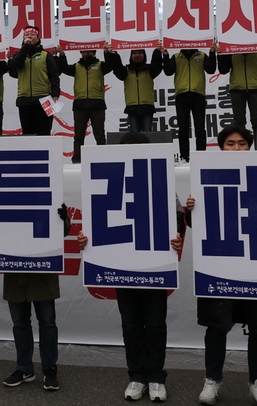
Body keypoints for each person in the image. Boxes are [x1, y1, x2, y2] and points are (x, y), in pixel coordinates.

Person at [191, 125, 257, 406]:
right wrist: (192, 210)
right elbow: (199, 225)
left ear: (250, 147)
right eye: (230, 144)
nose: (236, 149)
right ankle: (212, 380)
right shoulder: (208, 175)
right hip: (222, 265)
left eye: (241, 144)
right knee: (217, 327)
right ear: (220, 147)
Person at [76, 132, 186, 403]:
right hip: (121, 265)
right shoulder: (105, 180)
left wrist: (177, 234)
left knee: (156, 324)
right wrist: (86, 239)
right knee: (132, 324)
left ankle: (156, 377)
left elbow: (178, 216)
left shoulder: (160, 180)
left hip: (154, 264)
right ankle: (136, 376)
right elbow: (94, 219)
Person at [1, 203, 71, 392]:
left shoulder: (48, 192)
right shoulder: (3, 195)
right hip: (14, 270)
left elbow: (63, 231)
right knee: (19, 323)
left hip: (43, 268)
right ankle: (24, 368)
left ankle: (49, 369)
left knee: (47, 322)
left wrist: (62, 218)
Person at [163, 45, 218, 161]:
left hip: (198, 95)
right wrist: (165, 55)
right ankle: (184, 157)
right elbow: (168, 72)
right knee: (182, 129)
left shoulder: (201, 55)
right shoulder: (176, 56)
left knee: (200, 128)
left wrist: (212, 53)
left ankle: (201, 156)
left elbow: (211, 69)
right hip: (181, 96)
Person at [57, 49, 111, 163]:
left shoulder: (101, 65)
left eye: (89, 52)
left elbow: (111, 66)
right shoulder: (76, 67)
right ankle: (77, 159)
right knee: (78, 136)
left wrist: (107, 53)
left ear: (94, 52)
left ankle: (104, 159)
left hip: (97, 104)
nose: (86, 54)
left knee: (99, 135)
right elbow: (64, 68)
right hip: (80, 105)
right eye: (83, 52)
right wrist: (61, 55)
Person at [8, 25, 60, 136]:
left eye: (32, 35)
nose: (29, 37)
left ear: (38, 38)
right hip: (24, 99)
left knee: (44, 132)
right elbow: (14, 70)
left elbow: (54, 75)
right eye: (26, 35)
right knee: (28, 134)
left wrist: (55, 93)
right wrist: (24, 48)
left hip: (44, 98)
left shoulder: (46, 55)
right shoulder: (19, 55)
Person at [104, 45, 164, 132]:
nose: (137, 55)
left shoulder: (150, 70)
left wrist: (157, 51)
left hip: (147, 107)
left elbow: (157, 65)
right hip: (132, 107)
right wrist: (114, 55)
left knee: (147, 135)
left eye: (140, 53)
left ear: (144, 55)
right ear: (131, 56)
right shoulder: (126, 71)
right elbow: (117, 68)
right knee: (135, 137)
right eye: (134, 53)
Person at [216, 49, 257, 132]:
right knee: (239, 122)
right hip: (237, 89)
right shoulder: (231, 48)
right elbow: (223, 70)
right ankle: (241, 144)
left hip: (256, 88)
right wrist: (221, 54)